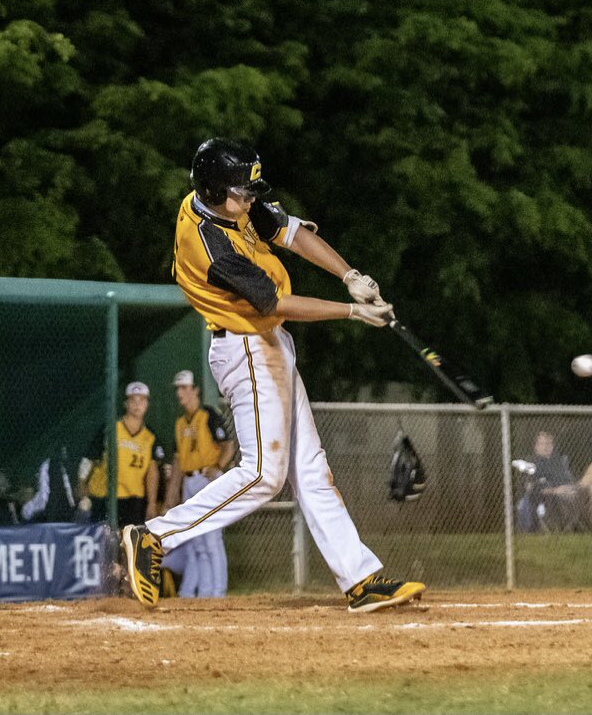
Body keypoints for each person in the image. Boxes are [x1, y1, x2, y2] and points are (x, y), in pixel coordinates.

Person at [121, 137, 425, 613]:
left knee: (311, 469)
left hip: (267, 343)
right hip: (246, 348)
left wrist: (350, 276)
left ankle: (360, 578)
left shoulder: (226, 202)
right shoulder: (210, 246)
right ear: (215, 190)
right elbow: (276, 303)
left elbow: (287, 231)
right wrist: (350, 312)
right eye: (241, 193)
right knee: (264, 474)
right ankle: (155, 534)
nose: (250, 200)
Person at [161, 369, 236, 598]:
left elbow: (227, 445)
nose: (181, 393)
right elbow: (177, 463)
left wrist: (219, 466)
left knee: (212, 538)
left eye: (185, 388)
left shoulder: (208, 415)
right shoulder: (180, 423)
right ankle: (205, 594)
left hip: (207, 479)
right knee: (197, 543)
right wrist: (170, 499)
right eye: (179, 389)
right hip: (190, 481)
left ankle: (218, 592)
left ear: (195, 391)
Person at [79, 381, 167, 527]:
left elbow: (152, 471)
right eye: (133, 400)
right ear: (126, 403)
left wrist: (152, 503)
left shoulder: (150, 437)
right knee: (105, 542)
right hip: (105, 497)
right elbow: (90, 458)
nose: (137, 404)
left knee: (129, 544)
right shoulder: (110, 429)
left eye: (142, 400)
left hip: (133, 500)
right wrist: (82, 482)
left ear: (147, 404)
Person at [524, 431, 592, 533]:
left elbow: (571, 477)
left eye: (549, 443)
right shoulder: (532, 463)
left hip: (573, 489)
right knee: (589, 489)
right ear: (536, 446)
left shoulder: (559, 459)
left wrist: (573, 485)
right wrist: (555, 490)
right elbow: (530, 487)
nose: (547, 447)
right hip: (555, 495)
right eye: (543, 443)